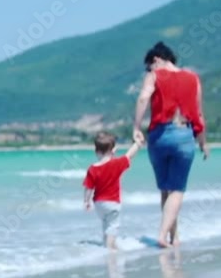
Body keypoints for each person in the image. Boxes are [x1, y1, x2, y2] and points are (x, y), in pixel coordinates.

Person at [133, 42, 209, 248]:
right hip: (184, 135)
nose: (149, 70)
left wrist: (136, 127)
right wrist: (203, 142)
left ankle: (173, 237)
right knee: (177, 189)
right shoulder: (193, 78)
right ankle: (163, 235)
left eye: (149, 66)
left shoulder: (155, 75)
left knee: (166, 189)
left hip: (159, 136)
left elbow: (143, 98)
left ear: (156, 59)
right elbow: (199, 114)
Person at [83, 131, 144, 249]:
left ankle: (107, 245)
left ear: (96, 151)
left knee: (106, 225)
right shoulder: (117, 164)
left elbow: (88, 188)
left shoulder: (92, 169)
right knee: (113, 226)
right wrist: (137, 144)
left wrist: (86, 201)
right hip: (113, 202)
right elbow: (129, 155)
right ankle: (110, 249)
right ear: (113, 150)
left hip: (99, 204)